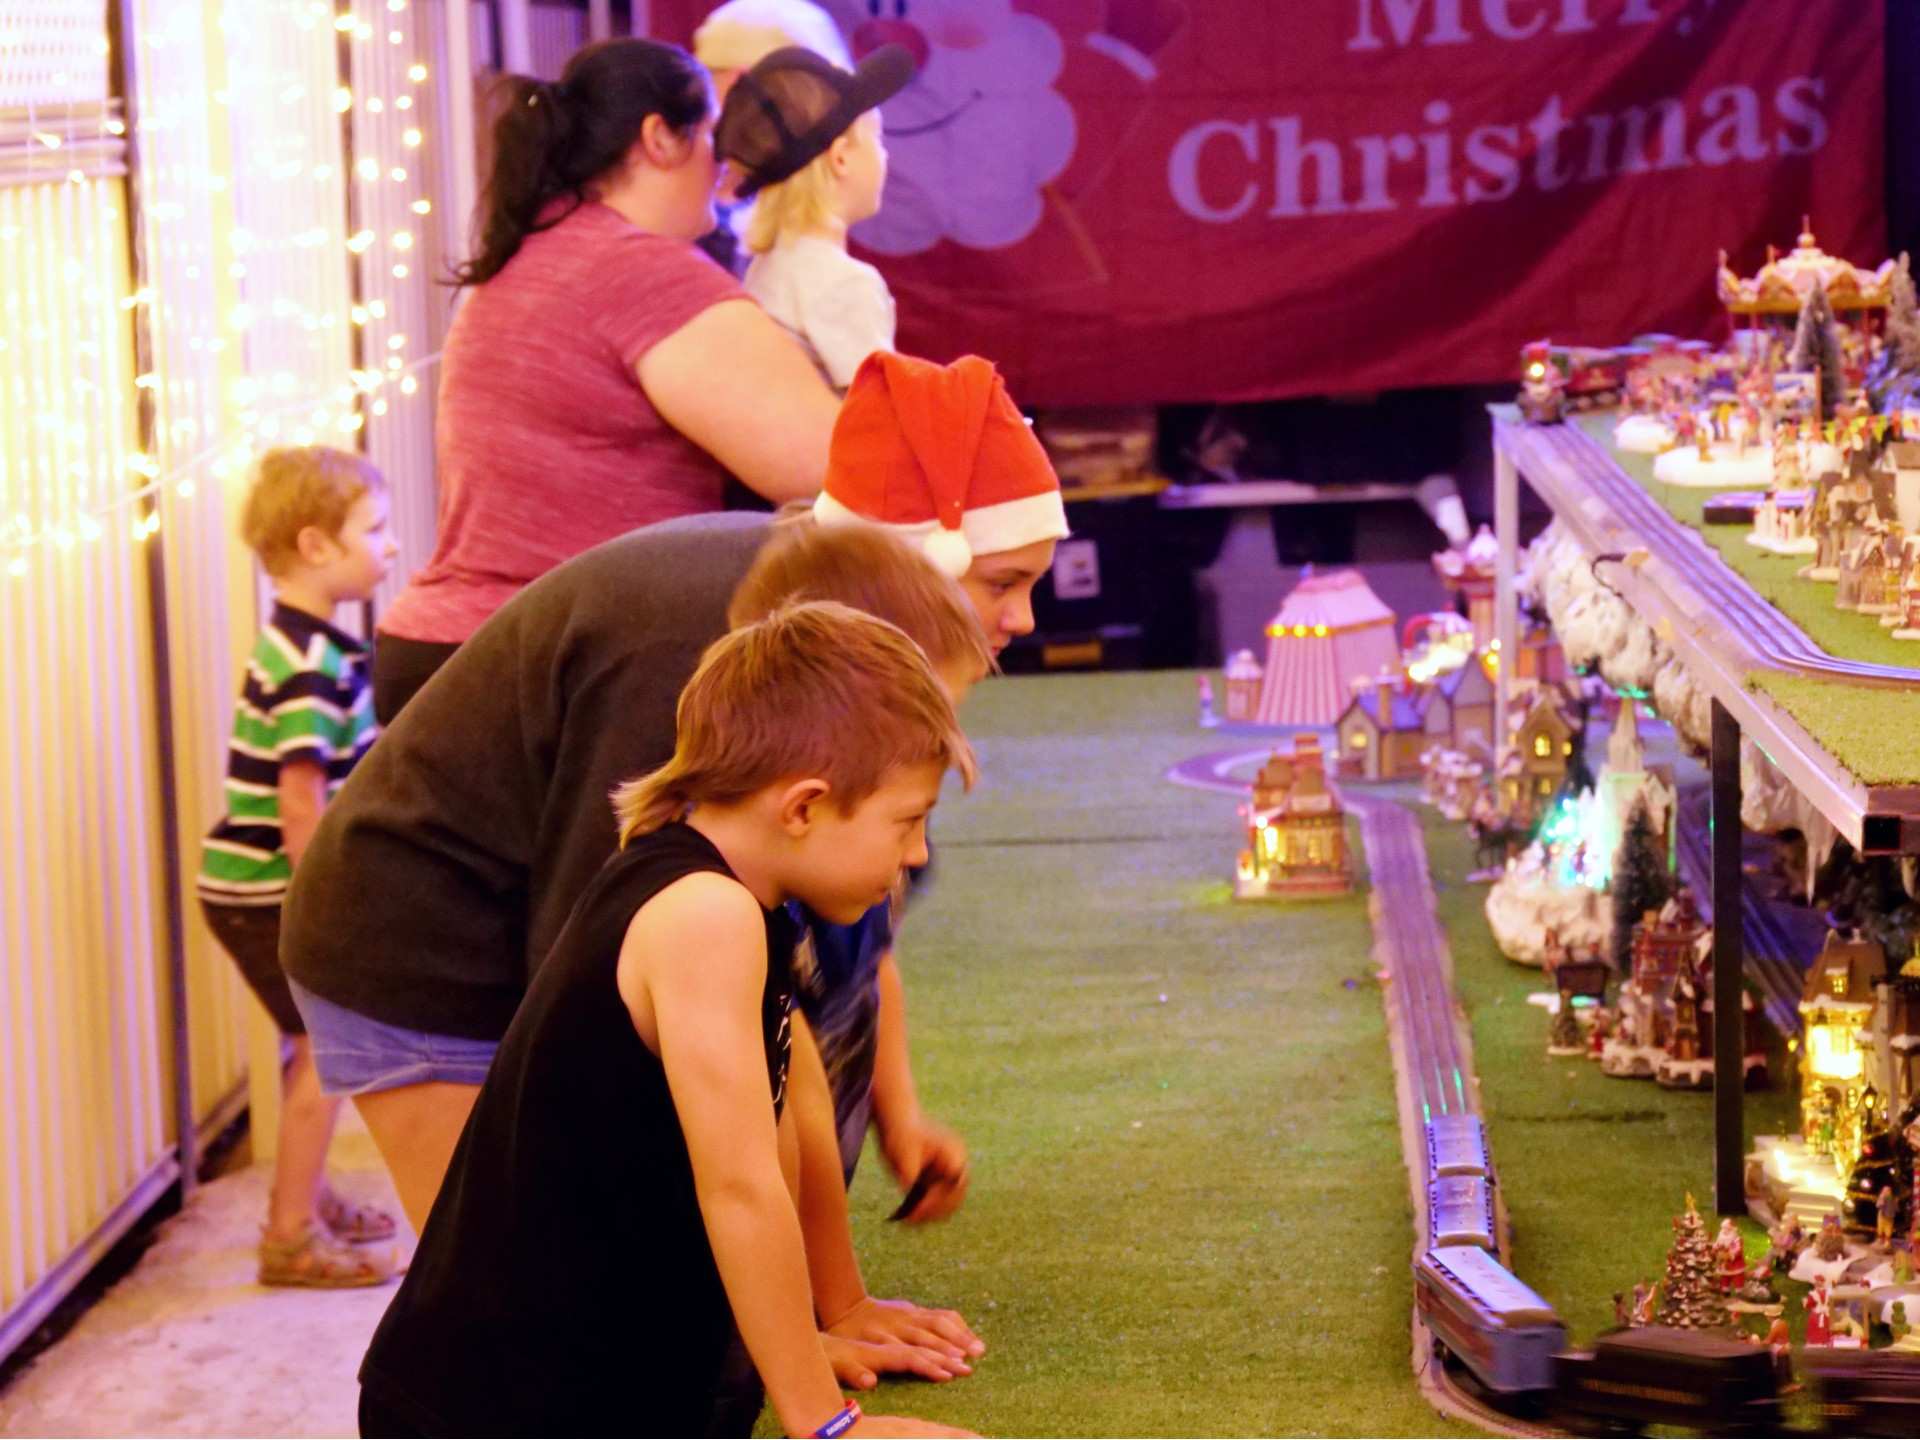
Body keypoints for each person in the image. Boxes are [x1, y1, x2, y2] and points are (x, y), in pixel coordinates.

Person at [284, 352, 1065, 1372]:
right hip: (411, 940)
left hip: (546, 905)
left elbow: (838, 964)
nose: (1027, 623)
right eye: (1006, 583)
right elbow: (603, 1013)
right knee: (533, 1331)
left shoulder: (839, 662)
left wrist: (841, 1284)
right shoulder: (721, 669)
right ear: (920, 563)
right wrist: (803, 1369)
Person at [355, 602, 977, 1438]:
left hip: (594, 1381)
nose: (917, 856)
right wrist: (828, 1425)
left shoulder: (728, 885)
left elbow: (795, 1099)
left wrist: (841, 1305)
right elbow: (740, 1184)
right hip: (499, 1408)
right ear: (802, 807)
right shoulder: (703, 916)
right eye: (908, 821)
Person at [372, 36, 841, 720]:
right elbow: (820, 461)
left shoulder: (541, 250)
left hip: (464, 651)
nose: (723, 164)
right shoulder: (639, 272)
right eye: (709, 133)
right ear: (659, 138)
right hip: (551, 663)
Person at [195, 447, 400, 1288]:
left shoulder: (307, 642)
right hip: (266, 890)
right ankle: (288, 1235)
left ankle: (304, 1196)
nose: (387, 547)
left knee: (314, 1050)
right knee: (328, 1047)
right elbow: (298, 799)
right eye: (375, 531)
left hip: (253, 888)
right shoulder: (309, 663)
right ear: (317, 546)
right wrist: (328, 903)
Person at [718, 44, 911, 392]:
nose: (884, 154)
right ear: (841, 159)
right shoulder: (846, 283)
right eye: (877, 139)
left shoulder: (766, 268)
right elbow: (880, 418)